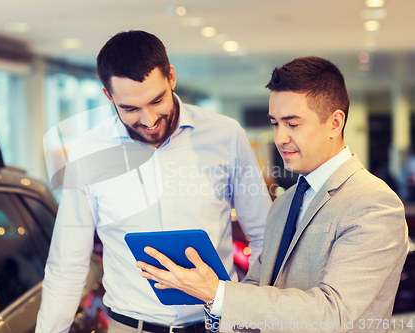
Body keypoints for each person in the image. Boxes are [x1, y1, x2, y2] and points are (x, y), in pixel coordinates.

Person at [138, 56, 409, 333]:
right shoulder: (285, 202)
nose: (279, 138)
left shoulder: (374, 203)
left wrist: (218, 294)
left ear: (335, 123)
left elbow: (334, 314)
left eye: (292, 124)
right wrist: (210, 296)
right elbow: (258, 286)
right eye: (275, 123)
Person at [36, 30, 272, 333]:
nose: (148, 120)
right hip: (130, 326)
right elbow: (66, 264)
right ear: (109, 96)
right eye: (130, 109)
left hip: (216, 324)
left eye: (156, 100)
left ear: (171, 77)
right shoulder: (88, 152)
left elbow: (266, 236)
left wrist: (246, 307)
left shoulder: (226, 135)